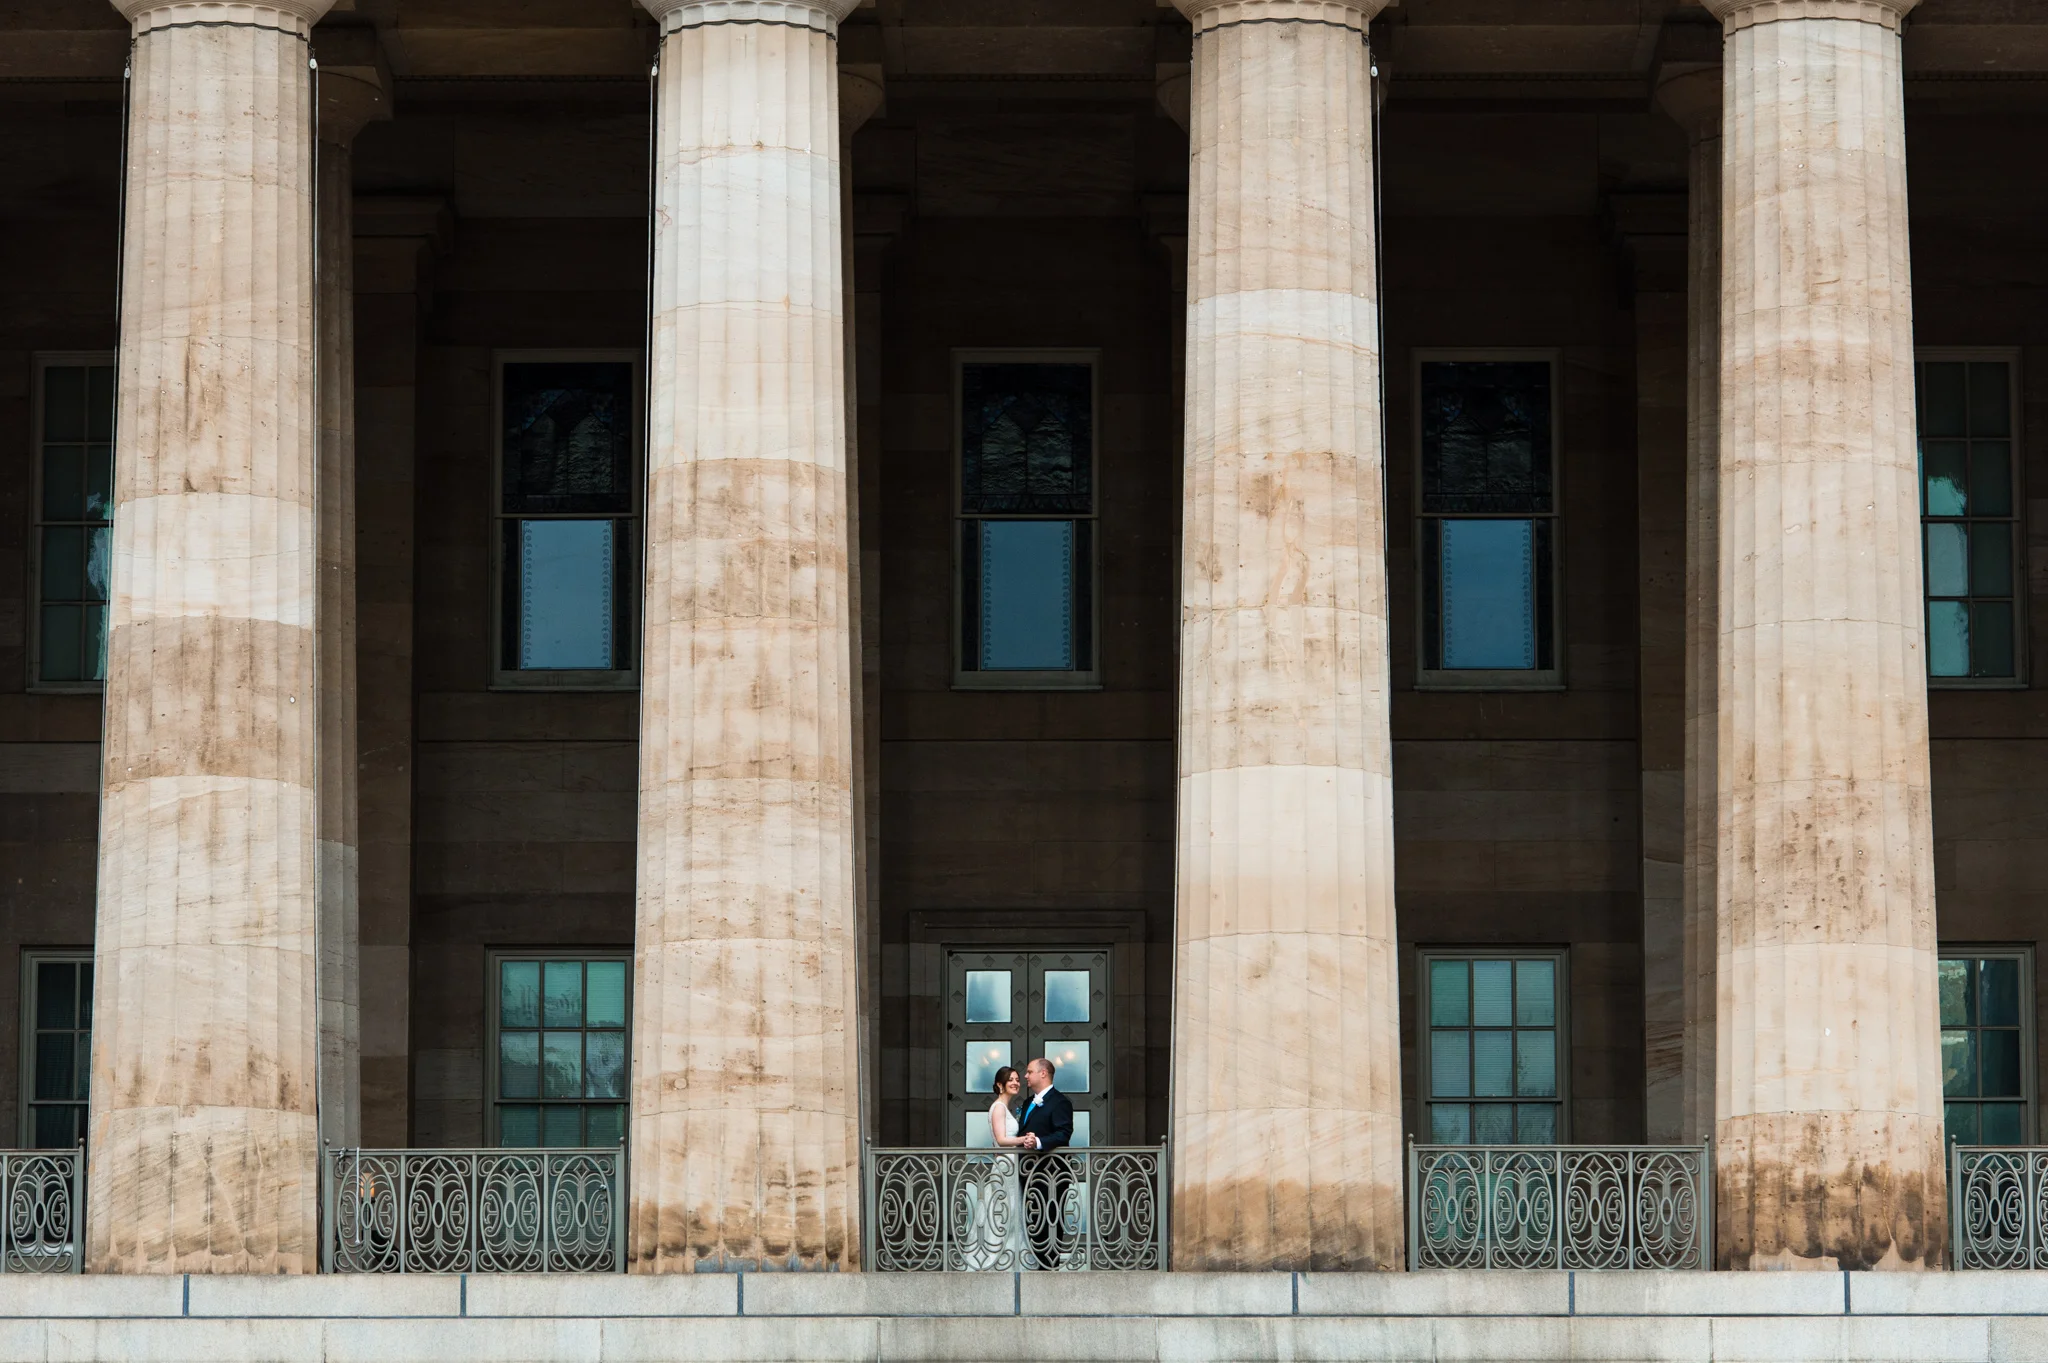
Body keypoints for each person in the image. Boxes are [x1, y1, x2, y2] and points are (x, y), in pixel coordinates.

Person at [1014, 1056, 1074, 1269]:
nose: (1025, 1076)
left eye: (1029, 1071)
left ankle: (1048, 1268)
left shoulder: (1060, 1102)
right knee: (1032, 1219)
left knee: (1050, 1219)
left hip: (1051, 1173)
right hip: (1028, 1171)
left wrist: (1038, 1141)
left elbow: (1063, 1134)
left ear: (1043, 1073)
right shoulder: (1028, 1102)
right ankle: (1035, 1264)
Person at [981, 1066, 1030, 1267]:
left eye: (1017, 1079)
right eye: (1010, 1079)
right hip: (1005, 1165)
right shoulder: (999, 1107)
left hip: (1009, 1163)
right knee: (1006, 1211)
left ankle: (1011, 1256)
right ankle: (1001, 1259)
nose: (1016, 1082)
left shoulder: (1004, 1107)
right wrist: (1023, 1139)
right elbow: (1001, 1140)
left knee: (1010, 1210)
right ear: (1000, 1085)